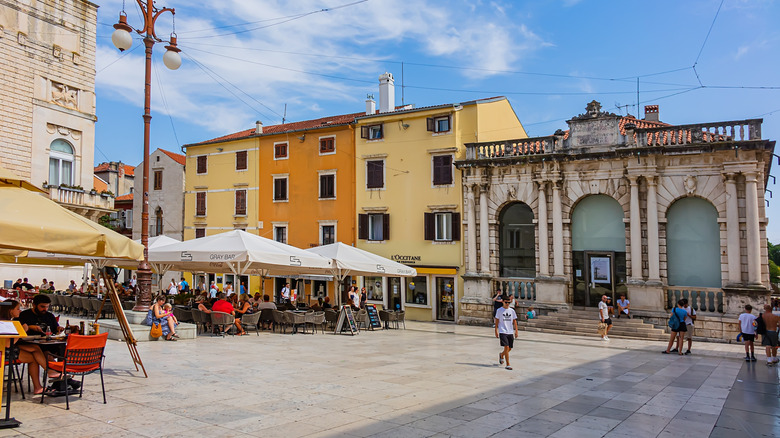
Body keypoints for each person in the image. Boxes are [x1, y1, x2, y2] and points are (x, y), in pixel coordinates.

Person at [0, 300, 57, 394]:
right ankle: (45, 377)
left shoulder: (9, 321)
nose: (20, 311)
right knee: (34, 355)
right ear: (10, 310)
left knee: (35, 348)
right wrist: (22, 332)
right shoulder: (4, 323)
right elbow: (7, 344)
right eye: (18, 309)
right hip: (3, 352)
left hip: (8, 348)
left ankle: (46, 376)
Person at [494, 294, 518, 371]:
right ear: (503, 302)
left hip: (510, 331)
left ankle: (502, 355)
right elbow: (497, 321)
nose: (507, 304)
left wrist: (516, 331)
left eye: (509, 302)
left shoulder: (512, 311)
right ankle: (508, 364)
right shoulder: (499, 310)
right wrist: (496, 331)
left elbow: (514, 321)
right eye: (506, 302)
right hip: (502, 331)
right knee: (506, 347)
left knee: (510, 348)